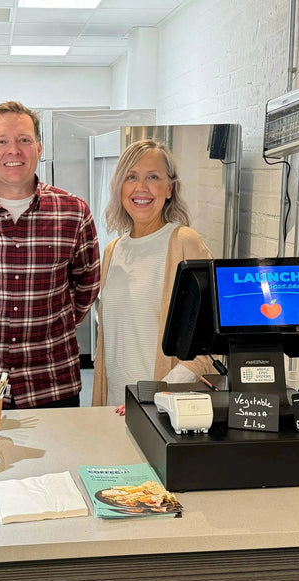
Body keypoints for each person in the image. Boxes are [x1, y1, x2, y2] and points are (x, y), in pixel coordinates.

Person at [0, 101, 101, 409]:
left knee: (60, 458)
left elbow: (87, 285)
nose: (14, 150)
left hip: (52, 380)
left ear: (39, 147)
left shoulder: (73, 212)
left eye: (24, 140)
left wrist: (54, 325)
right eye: (2, 141)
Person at [91, 139, 214, 411]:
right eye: (131, 177)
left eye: (153, 177)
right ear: (120, 188)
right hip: (115, 406)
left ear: (170, 188)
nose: (141, 188)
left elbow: (209, 348)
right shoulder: (113, 251)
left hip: (161, 408)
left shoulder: (185, 243)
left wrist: (156, 394)